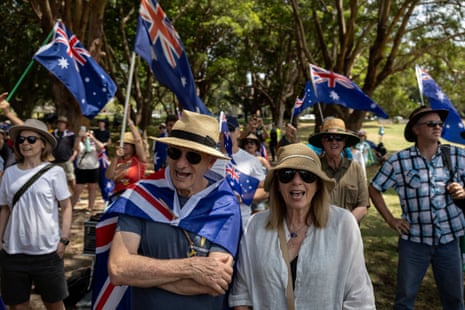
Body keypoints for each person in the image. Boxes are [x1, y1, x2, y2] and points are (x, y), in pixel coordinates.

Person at [103, 110, 242, 309]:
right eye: (175, 153)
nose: (181, 164)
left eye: (193, 156)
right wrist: (191, 268)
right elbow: (118, 269)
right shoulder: (141, 197)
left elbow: (215, 282)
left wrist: (143, 274)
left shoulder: (224, 205)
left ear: (210, 162)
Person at [228, 143, 375, 309]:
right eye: (287, 174)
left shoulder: (343, 224)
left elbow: (359, 298)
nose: (296, 181)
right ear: (277, 183)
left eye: (307, 175)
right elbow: (241, 294)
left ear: (318, 183)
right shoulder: (255, 226)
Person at [369, 106, 465, 310]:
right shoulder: (399, 161)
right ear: (416, 130)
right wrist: (391, 220)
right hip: (414, 242)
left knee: (455, 301)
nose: (437, 127)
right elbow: (374, 188)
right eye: (431, 124)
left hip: (449, 241)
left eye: (439, 123)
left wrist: (463, 192)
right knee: (404, 301)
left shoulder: (457, 155)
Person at [0, 119, 72, 309]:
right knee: (17, 305)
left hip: (47, 252)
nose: (25, 143)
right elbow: (5, 208)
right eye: (21, 140)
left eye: (32, 139)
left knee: (54, 303)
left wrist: (64, 239)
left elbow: (66, 207)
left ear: (43, 144)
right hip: (13, 251)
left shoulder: (55, 172)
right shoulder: (9, 173)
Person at [308, 117, 369, 223]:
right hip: (319, 233)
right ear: (322, 141)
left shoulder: (355, 169)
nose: (334, 142)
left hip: (348, 234)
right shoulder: (313, 168)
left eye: (339, 138)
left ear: (345, 141)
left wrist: (344, 225)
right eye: (329, 138)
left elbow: (363, 205)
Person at [211, 115, 268, 228]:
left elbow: (266, 190)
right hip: (213, 223)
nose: (225, 134)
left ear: (238, 132)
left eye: (230, 130)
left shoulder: (251, 160)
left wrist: (241, 197)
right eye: (222, 130)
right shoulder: (208, 159)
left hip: (241, 223)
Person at [105, 118, 147, 201]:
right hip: (118, 197)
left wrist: (129, 122)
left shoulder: (139, 159)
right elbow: (108, 176)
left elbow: (138, 141)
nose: (123, 146)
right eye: (122, 143)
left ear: (133, 147)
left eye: (127, 144)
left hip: (135, 196)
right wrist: (115, 157)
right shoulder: (117, 160)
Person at [71, 126, 104, 212]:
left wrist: (93, 138)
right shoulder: (80, 143)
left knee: (92, 188)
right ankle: (71, 207)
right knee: (78, 189)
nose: (87, 136)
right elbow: (76, 148)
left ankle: (90, 207)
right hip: (82, 169)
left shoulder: (94, 144)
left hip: (93, 168)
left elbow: (101, 148)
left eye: (90, 134)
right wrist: (79, 136)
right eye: (86, 135)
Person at [240, 132, 271, 214]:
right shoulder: (240, 160)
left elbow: (271, 175)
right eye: (247, 142)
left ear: (257, 145)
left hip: (259, 196)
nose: (249, 144)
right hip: (244, 195)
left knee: (258, 218)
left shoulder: (262, 160)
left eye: (252, 142)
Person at [52, 115, 77, 191]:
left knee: (71, 178)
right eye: (59, 123)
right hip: (55, 162)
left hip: (67, 161)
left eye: (63, 123)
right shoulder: (53, 134)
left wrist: (73, 157)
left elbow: (76, 148)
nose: (60, 125)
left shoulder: (71, 135)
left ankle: (76, 195)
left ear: (66, 125)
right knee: (56, 180)